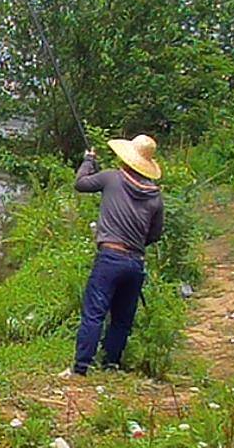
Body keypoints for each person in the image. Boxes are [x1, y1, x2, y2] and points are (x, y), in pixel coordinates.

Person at [65, 134, 163, 376]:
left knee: (94, 313)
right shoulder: (155, 196)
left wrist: (89, 161)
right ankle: (111, 364)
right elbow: (155, 234)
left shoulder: (111, 178)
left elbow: (80, 183)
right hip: (135, 263)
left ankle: (80, 368)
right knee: (122, 319)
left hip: (110, 257)